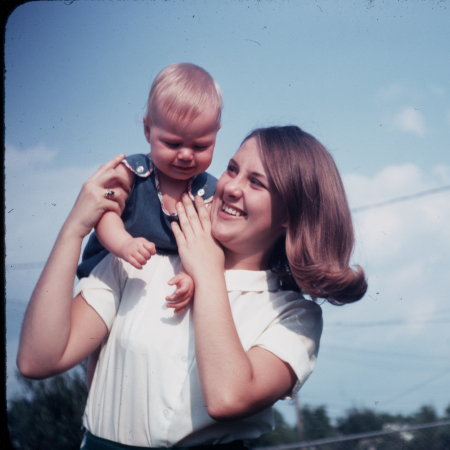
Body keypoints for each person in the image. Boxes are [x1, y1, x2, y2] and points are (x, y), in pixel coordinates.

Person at [17, 126, 367, 448]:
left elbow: (227, 397)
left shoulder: (296, 316)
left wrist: (207, 269)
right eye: (232, 168)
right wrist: (74, 230)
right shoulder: (140, 262)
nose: (230, 186)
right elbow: (38, 360)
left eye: (256, 183)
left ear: (290, 213)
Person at [77, 62, 223, 314]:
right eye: (173, 143)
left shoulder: (208, 193)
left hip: (162, 289)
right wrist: (124, 244)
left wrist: (190, 275)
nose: (186, 155)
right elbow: (105, 213)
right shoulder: (133, 173)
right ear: (147, 129)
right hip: (112, 268)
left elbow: (203, 245)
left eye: (200, 146)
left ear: (215, 135)